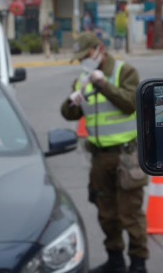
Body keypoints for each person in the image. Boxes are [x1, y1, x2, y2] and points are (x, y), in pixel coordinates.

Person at [60, 32, 149, 273]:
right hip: (99, 156)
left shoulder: (124, 71)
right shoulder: (82, 78)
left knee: (130, 213)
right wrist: (72, 101)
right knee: (106, 213)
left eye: (85, 55)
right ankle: (115, 260)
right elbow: (68, 114)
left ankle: (139, 264)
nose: (83, 62)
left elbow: (131, 103)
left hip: (127, 155)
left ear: (99, 49)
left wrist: (103, 84)